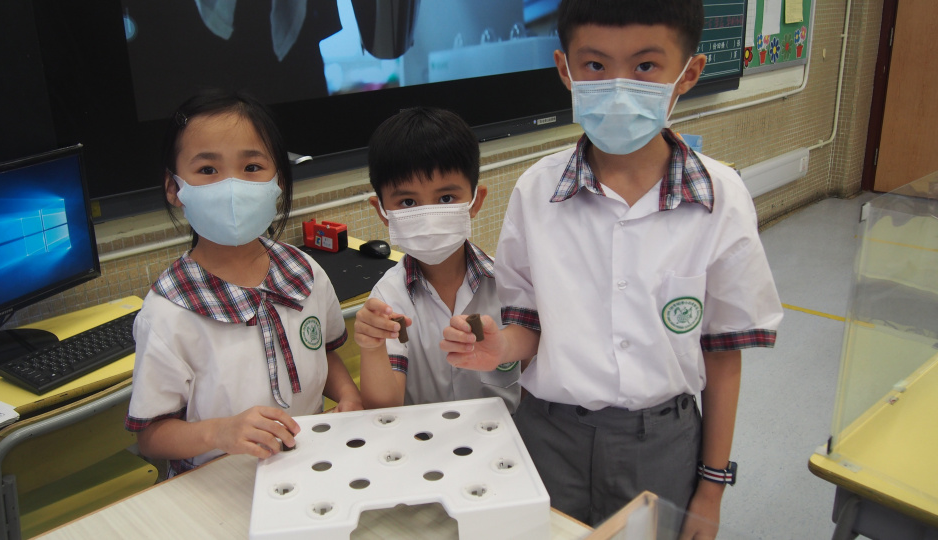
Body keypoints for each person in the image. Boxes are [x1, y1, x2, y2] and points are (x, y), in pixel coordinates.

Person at [440, 0, 783, 536]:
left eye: (645, 66)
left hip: (662, 443)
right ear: (565, 69)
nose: (619, 87)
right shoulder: (536, 192)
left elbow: (722, 355)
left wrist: (711, 489)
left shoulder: (722, 198)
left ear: (688, 73)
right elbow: (529, 327)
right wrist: (498, 347)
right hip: (548, 435)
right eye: (596, 65)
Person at [125, 89, 362, 476]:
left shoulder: (303, 271)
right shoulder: (168, 310)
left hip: (308, 465)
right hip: (217, 483)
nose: (232, 187)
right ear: (174, 188)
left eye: (252, 167)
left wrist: (349, 395)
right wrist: (220, 432)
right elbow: (151, 435)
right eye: (208, 170)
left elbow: (324, 354)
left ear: (278, 180)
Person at [354, 107, 520, 413]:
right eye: (408, 202)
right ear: (383, 211)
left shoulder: (509, 284)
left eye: (446, 198)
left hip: (508, 434)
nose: (429, 216)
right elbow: (385, 405)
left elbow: (536, 372)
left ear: (475, 201)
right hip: (423, 438)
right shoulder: (389, 300)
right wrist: (371, 347)